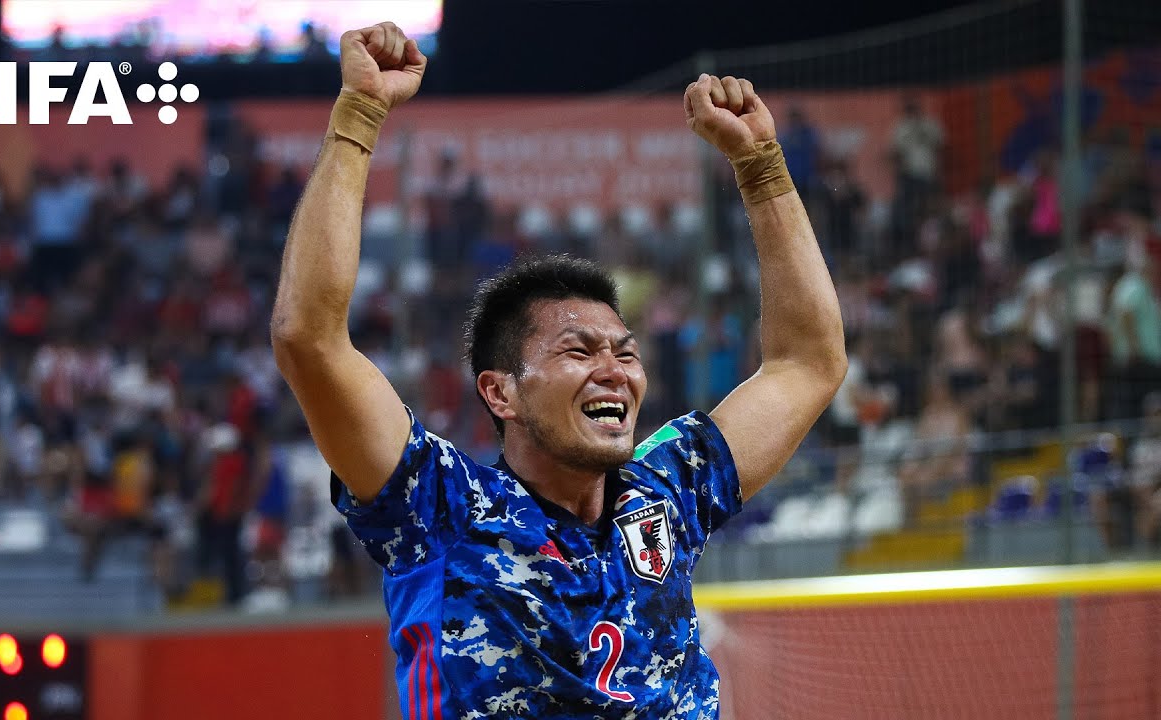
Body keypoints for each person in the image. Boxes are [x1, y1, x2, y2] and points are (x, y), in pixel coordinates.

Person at [271, 22, 846, 718]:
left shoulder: (667, 492)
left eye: (625, 352)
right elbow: (309, 338)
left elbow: (809, 362)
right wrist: (359, 115)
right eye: (579, 351)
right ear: (500, 391)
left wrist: (762, 167)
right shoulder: (441, 508)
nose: (615, 370)